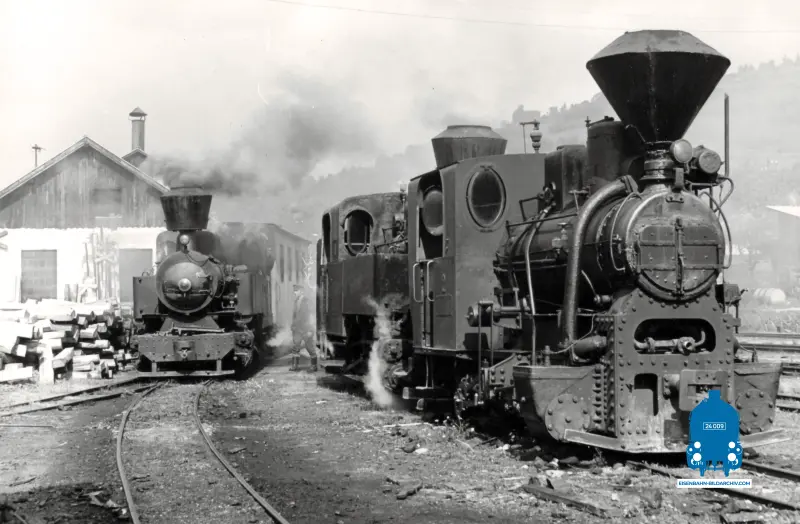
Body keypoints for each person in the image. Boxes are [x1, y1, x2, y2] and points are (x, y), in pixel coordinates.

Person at [290, 284, 318, 372]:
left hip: (306, 329)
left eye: (296, 291)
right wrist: (293, 326)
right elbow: (295, 316)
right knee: (295, 348)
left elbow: (311, 316)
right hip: (297, 329)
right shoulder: (296, 301)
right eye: (294, 291)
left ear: (301, 291)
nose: (294, 293)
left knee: (310, 347)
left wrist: (310, 330)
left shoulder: (307, 301)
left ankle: (314, 366)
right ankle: (295, 366)